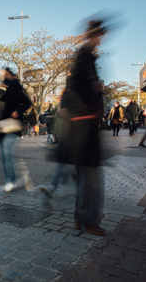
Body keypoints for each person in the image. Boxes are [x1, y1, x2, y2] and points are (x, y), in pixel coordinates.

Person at [56, 19, 107, 236]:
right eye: (100, 36)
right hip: (82, 129)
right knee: (92, 179)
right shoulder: (84, 57)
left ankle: (82, 216)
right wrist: (91, 107)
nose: (101, 40)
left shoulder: (86, 58)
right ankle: (89, 219)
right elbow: (74, 89)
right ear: (94, 35)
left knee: (87, 177)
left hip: (82, 128)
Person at [0, 67, 31, 192]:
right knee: (5, 155)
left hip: (12, 124)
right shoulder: (3, 86)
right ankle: (11, 179)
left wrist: (17, 111)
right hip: (1, 124)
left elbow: (27, 103)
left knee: (7, 153)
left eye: (5, 73)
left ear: (10, 74)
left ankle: (10, 181)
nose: (3, 75)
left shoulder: (16, 87)